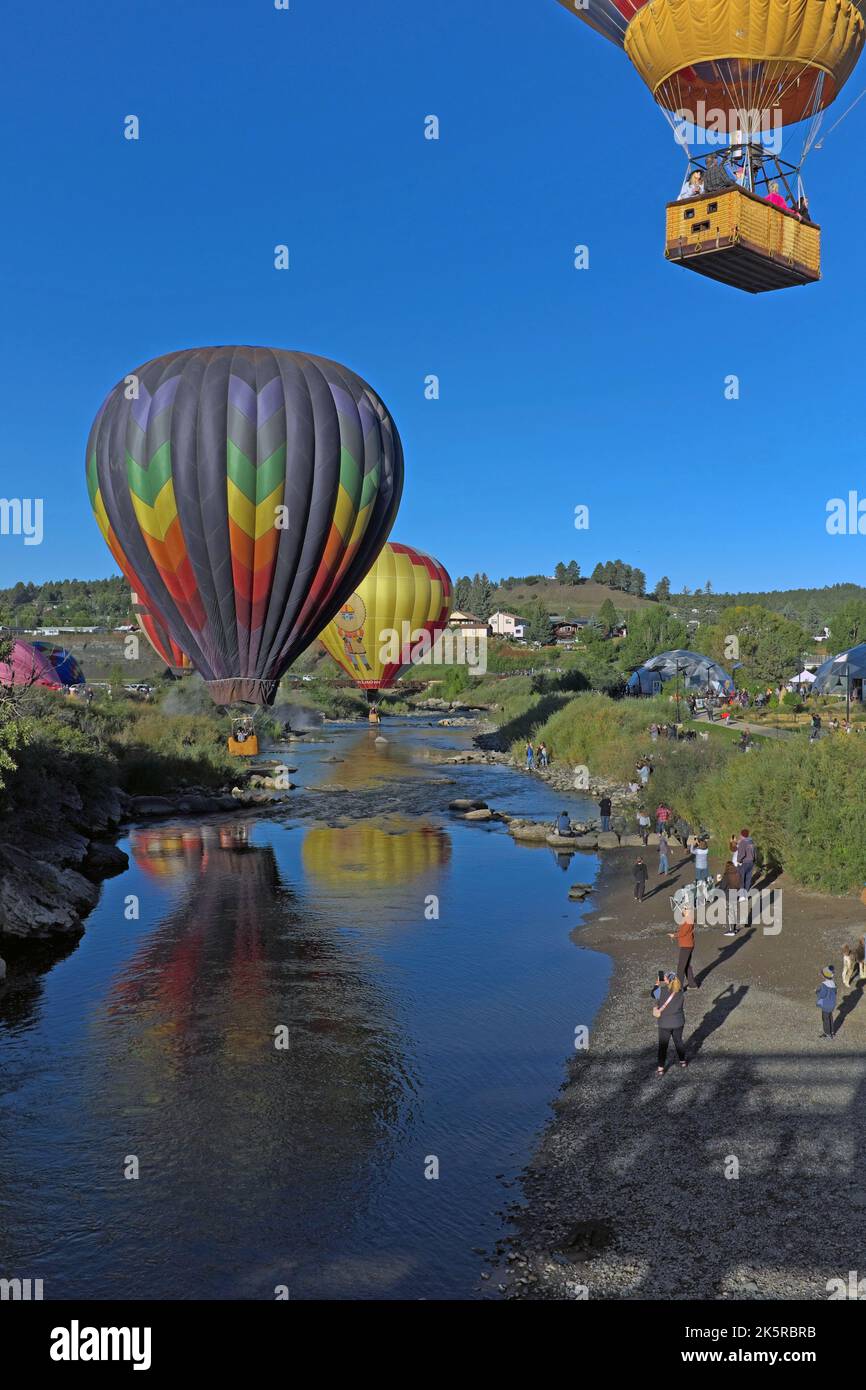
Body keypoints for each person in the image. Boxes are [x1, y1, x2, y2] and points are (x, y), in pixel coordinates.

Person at [653, 972, 688, 1075]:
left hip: (665, 1023)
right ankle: (683, 1062)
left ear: (667, 980)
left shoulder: (661, 991)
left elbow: (652, 994)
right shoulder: (681, 992)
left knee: (663, 1046)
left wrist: (657, 983)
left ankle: (660, 1069)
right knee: (678, 1041)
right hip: (678, 1022)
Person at [669, 907, 699, 989]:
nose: (683, 910)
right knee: (687, 966)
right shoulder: (687, 918)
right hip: (688, 945)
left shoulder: (688, 920)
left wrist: (674, 935)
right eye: (683, 908)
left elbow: (683, 932)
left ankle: (678, 988)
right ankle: (692, 984)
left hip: (686, 946)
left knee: (681, 967)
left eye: (685, 909)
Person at [719, 860, 742, 936]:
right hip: (735, 893)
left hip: (728, 895)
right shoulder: (737, 874)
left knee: (730, 912)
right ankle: (734, 929)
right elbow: (740, 884)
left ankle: (731, 930)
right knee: (734, 911)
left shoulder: (727, 875)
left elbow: (722, 886)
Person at [816, 966, 837, 1040]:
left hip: (826, 1005)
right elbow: (835, 992)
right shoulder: (833, 984)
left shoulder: (824, 985)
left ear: (824, 975)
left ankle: (827, 1033)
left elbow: (822, 995)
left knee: (825, 1019)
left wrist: (817, 991)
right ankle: (832, 1032)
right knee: (830, 1017)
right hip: (832, 1004)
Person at [736, 828, 756, 893]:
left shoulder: (743, 842)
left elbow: (742, 854)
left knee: (741, 879)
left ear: (742, 835)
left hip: (744, 862)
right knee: (748, 879)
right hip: (751, 862)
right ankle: (746, 892)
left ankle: (742, 895)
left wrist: (738, 861)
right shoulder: (751, 841)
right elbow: (755, 852)